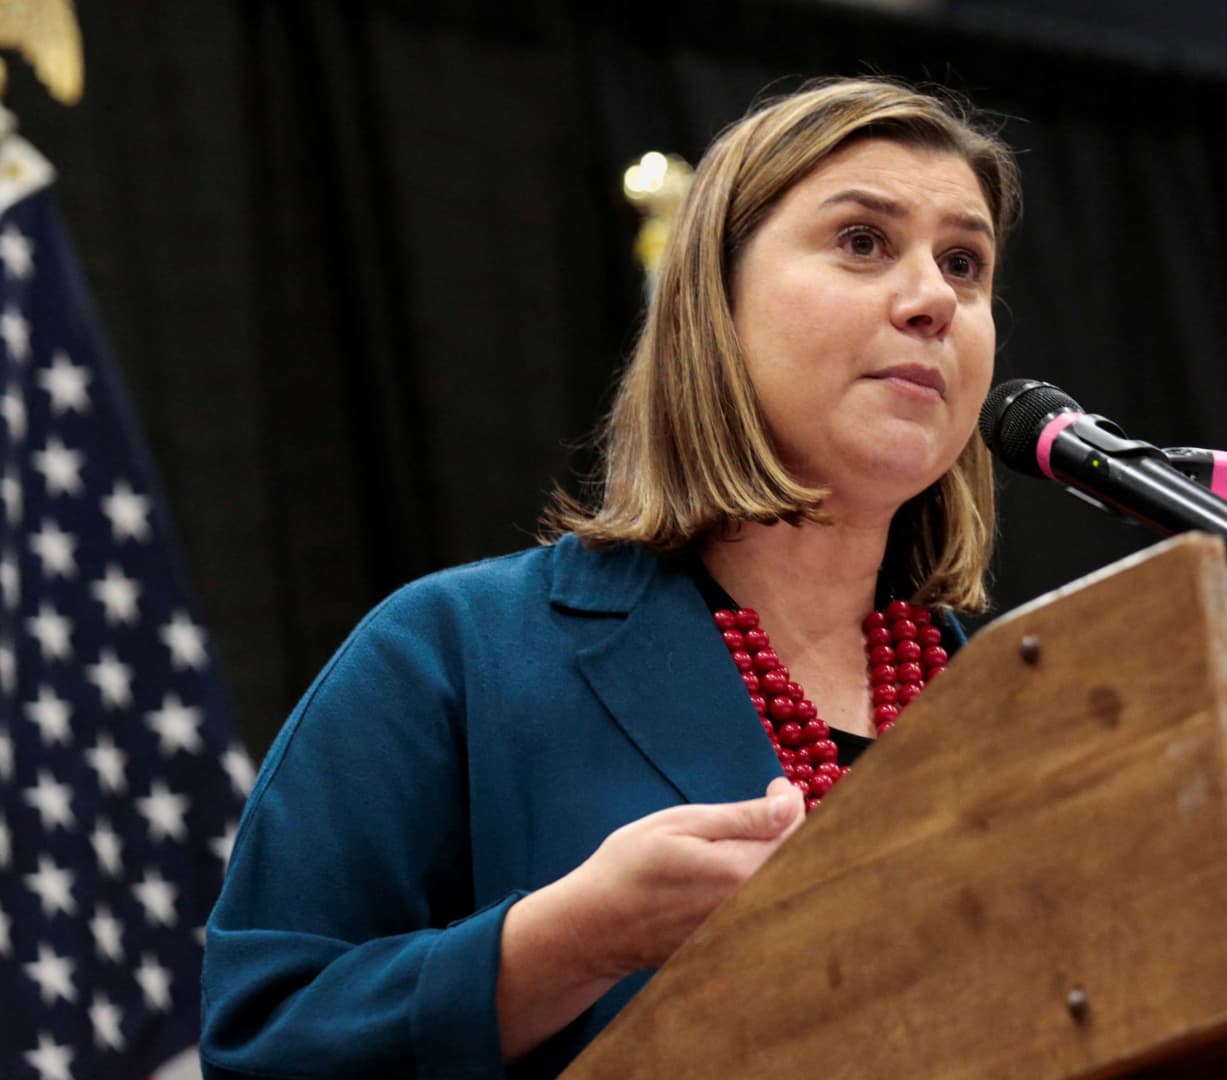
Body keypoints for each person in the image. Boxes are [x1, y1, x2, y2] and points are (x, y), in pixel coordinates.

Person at [200, 77, 1020, 1078]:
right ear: (713, 305)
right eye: (862, 242)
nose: (934, 298)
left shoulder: (1017, 700)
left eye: (965, 263)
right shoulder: (458, 654)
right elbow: (263, 1046)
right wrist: (564, 946)